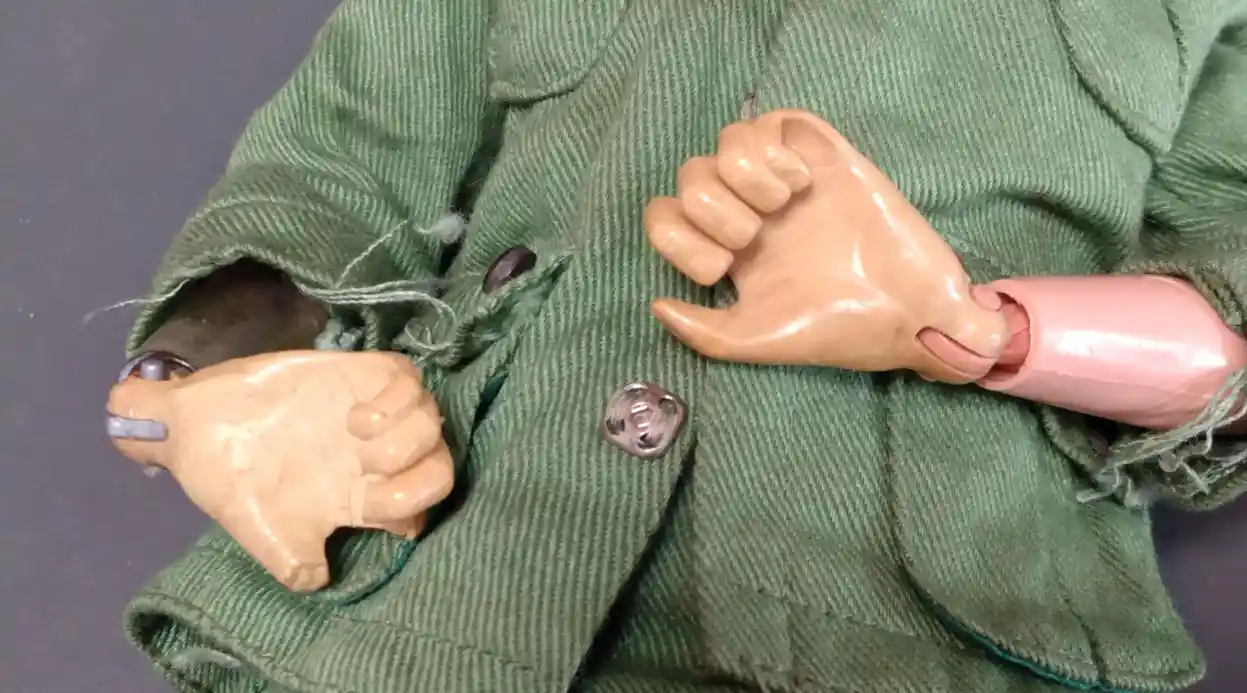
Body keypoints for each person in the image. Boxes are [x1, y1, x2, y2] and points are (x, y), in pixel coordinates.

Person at [104, 0, 1247, 691]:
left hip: (946, 622)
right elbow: (334, 164)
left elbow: (1230, 274)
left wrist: (980, 332)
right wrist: (193, 382)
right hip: (449, 592)